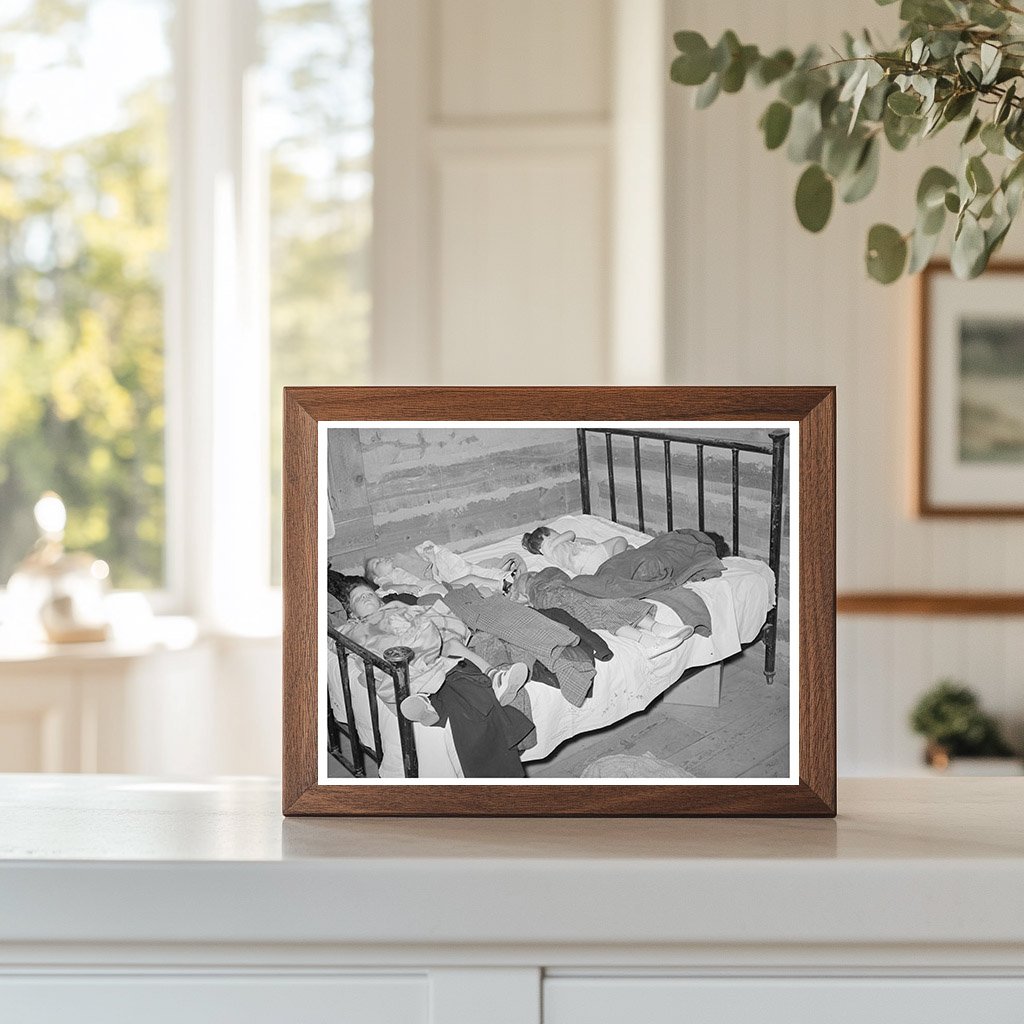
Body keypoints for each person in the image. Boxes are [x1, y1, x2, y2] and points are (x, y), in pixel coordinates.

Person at [335, 577, 530, 722]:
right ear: (352, 613)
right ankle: (420, 701)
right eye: (359, 598)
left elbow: (434, 617)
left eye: (370, 594)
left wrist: (402, 606)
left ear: (380, 600)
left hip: (426, 643)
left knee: (452, 644)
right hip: (398, 655)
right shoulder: (353, 627)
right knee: (399, 663)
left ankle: (496, 678)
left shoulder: (396, 608)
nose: (366, 598)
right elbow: (335, 641)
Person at [522, 525, 629, 576]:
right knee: (620, 541)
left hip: (587, 570)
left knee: (628, 550)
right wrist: (561, 538)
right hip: (590, 556)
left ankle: (618, 565)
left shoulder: (550, 555)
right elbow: (571, 533)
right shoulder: (551, 543)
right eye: (555, 531)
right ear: (546, 535)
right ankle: (618, 568)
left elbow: (591, 542)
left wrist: (573, 541)